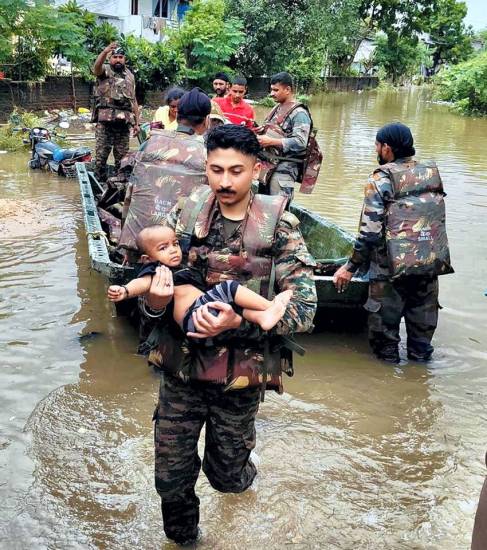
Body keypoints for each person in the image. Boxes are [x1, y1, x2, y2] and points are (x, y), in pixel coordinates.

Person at [144, 125, 317, 545]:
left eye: (236, 171)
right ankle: (185, 542)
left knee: (227, 481)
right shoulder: (184, 214)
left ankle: (243, 468)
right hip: (182, 373)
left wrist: (238, 322)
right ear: (205, 167)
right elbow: (149, 283)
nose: (224, 181)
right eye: (216, 169)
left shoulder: (281, 224)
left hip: (238, 378)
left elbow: (306, 307)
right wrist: (153, 302)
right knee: (170, 480)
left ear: (257, 169)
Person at [333, 122, 454, 363]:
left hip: (389, 270)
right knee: (421, 347)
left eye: (377, 146)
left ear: (387, 148)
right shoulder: (430, 172)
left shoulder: (381, 178)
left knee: (385, 347)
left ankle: (388, 388)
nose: (376, 150)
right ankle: (419, 383)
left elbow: (369, 234)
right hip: (428, 264)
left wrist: (349, 268)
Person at [108, 225, 293, 332]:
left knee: (234, 306)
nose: (173, 250)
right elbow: (141, 283)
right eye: (163, 248)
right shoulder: (156, 270)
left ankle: (262, 317)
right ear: (147, 259)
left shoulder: (181, 266)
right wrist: (125, 291)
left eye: (175, 244)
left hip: (202, 312)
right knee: (228, 287)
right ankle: (270, 306)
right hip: (193, 316)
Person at [118, 87, 211, 252]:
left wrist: (126, 239)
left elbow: (130, 196)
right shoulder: (207, 152)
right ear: (206, 120)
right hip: (177, 250)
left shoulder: (150, 142)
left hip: (137, 242)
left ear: (178, 114)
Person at [256, 71, 311, 203]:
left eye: (276, 90)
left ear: (288, 89)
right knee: (262, 203)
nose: (272, 93)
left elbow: (300, 142)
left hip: (285, 167)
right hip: (268, 164)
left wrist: (271, 141)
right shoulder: (275, 109)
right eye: (271, 90)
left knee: (278, 206)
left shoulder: (300, 113)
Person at [92, 42, 140, 182]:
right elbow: (96, 68)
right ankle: (98, 183)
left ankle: (120, 186)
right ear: (109, 59)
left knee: (122, 158)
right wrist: (104, 51)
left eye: (120, 57)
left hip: (123, 124)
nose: (118, 60)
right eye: (115, 57)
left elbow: (134, 100)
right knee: (101, 157)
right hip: (105, 124)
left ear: (124, 59)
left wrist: (137, 123)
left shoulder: (130, 76)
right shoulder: (105, 71)